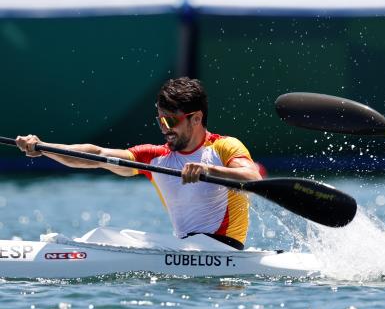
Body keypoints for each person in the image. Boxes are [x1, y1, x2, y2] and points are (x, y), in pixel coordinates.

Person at [15, 77, 261, 250]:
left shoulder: (225, 147)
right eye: (160, 122)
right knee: (103, 235)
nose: (165, 129)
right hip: (185, 250)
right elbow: (96, 156)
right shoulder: (155, 157)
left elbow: (253, 178)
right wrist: (44, 147)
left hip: (223, 250)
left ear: (196, 118)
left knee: (107, 237)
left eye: (170, 122)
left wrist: (208, 170)